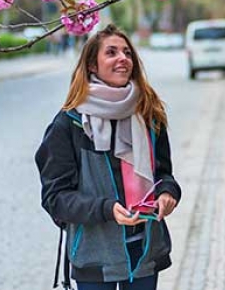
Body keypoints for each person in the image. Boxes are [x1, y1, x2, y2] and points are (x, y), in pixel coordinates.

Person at [35, 24, 181, 290]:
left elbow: (164, 174)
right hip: (95, 257)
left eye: (127, 52)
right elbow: (55, 198)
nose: (122, 58)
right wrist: (106, 209)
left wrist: (169, 193)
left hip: (145, 251)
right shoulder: (69, 123)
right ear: (92, 64)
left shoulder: (149, 114)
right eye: (111, 52)